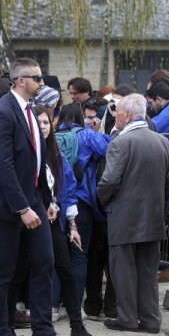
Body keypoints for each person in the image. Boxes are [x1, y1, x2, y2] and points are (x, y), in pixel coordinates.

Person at [0, 57, 79, 336]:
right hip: (8, 206)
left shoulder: (32, 113)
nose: (42, 83)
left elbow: (38, 161)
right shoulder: (0, 113)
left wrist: (44, 201)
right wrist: (22, 208)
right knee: (6, 271)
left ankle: (43, 335)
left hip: (34, 200)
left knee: (44, 263)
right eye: (37, 78)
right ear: (21, 80)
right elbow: (3, 166)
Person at [97, 94, 169, 333]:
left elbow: (109, 182)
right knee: (149, 272)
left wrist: (102, 199)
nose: (115, 115)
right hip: (154, 217)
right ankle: (150, 320)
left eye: (117, 111)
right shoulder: (162, 142)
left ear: (127, 114)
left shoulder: (120, 142)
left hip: (124, 217)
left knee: (123, 270)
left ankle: (127, 318)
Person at [33, 106, 98, 336]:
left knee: (66, 272)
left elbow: (68, 191)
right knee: (22, 275)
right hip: (28, 222)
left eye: (46, 122)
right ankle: (6, 331)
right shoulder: (25, 153)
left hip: (53, 223)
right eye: (38, 122)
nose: (43, 127)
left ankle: (77, 328)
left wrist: (72, 225)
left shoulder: (56, 156)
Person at [54, 103, 110, 310]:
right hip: (82, 200)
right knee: (79, 255)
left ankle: (53, 305)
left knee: (57, 255)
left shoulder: (51, 136)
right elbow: (109, 148)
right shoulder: (86, 135)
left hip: (56, 202)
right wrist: (99, 131)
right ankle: (74, 307)